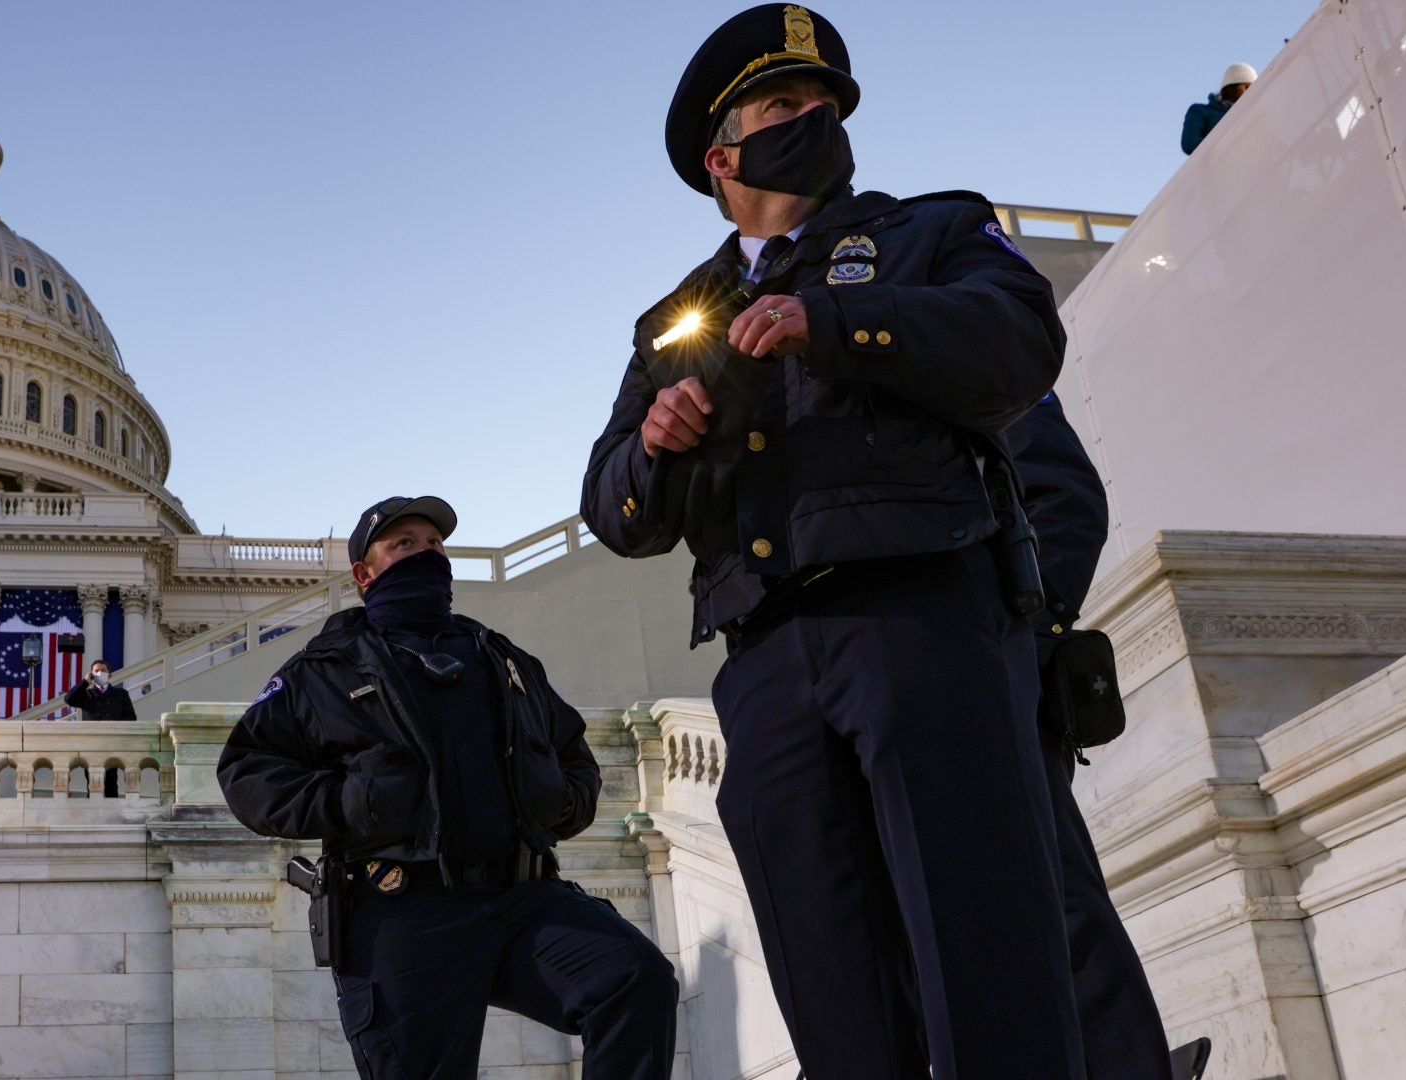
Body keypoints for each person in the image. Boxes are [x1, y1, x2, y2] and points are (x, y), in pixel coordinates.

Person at [581, 6, 1080, 1075]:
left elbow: (1024, 339)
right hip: (763, 665)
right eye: (782, 106)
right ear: (724, 156)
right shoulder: (676, 320)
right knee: (831, 988)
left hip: (921, 619)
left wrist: (840, 326)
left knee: (985, 960)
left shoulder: (926, 232)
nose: (812, 117)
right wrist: (657, 447)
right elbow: (611, 507)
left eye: (822, 103)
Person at [217, 496, 678, 1079]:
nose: (425, 555)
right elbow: (246, 771)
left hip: (522, 900)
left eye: (434, 544)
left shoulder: (503, 659)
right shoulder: (323, 671)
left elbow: (572, 751)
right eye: (403, 544)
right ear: (365, 573)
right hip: (402, 913)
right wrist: (352, 804)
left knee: (634, 979)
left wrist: (559, 803)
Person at [1007, 394, 1174, 1078]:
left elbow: (1066, 498)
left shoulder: (959, 337)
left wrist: (1010, 643)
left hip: (988, 704)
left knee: (1059, 920)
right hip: (870, 711)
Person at [1181, 62, 1256, 154]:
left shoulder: (1249, 115)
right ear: (1231, 87)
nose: (1250, 92)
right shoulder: (1200, 111)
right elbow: (1189, 143)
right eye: (1246, 87)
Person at [64, 659, 137, 721]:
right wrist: (85, 682)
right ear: (91, 675)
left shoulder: (121, 693)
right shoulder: (86, 694)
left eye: (103, 670)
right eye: (96, 671)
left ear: (109, 675)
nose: (100, 673)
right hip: (93, 735)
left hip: (113, 734)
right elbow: (68, 699)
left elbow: (130, 716)